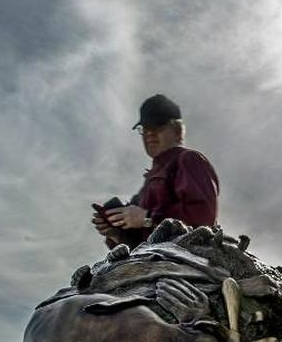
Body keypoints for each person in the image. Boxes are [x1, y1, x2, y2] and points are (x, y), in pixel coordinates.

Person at [92, 94, 220, 248]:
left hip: (185, 261)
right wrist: (115, 233)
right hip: (155, 262)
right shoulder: (148, 184)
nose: (150, 134)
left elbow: (203, 218)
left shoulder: (188, 159)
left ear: (178, 131)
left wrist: (147, 218)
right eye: (145, 129)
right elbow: (141, 247)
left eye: (157, 126)